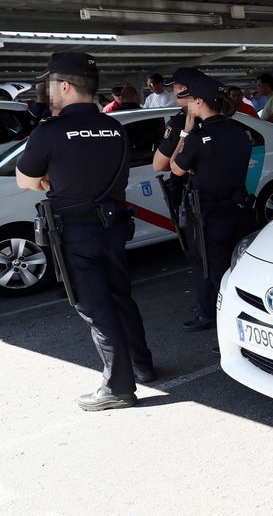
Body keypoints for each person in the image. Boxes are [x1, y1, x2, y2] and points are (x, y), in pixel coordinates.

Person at [15, 52, 155, 411]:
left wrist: (52, 180)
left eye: (49, 84)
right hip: (113, 226)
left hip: (75, 232)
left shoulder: (50, 131)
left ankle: (118, 386)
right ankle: (142, 366)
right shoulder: (116, 128)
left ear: (63, 86)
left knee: (95, 307)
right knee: (121, 297)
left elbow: (25, 179)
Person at [171, 75, 252, 332]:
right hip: (240, 212)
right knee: (237, 271)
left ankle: (232, 333)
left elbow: (174, 167)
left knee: (216, 275)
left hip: (209, 217)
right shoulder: (241, 131)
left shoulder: (198, 136)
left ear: (199, 101)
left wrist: (185, 132)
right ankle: (221, 318)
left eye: (190, 100)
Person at [153, 67, 205, 172]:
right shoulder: (218, 116)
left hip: (195, 185)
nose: (173, 93)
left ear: (184, 89)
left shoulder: (181, 122)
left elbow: (159, 165)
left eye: (174, 88)